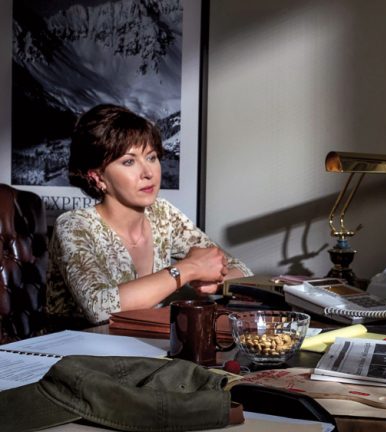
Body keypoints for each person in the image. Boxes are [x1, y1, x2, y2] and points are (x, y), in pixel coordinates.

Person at [46, 104, 253, 326]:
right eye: (129, 161)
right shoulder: (73, 226)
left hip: (144, 342)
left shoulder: (162, 213)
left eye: (151, 157)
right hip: (78, 344)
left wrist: (215, 282)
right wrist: (189, 269)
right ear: (97, 177)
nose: (148, 173)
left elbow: (242, 271)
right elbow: (100, 308)